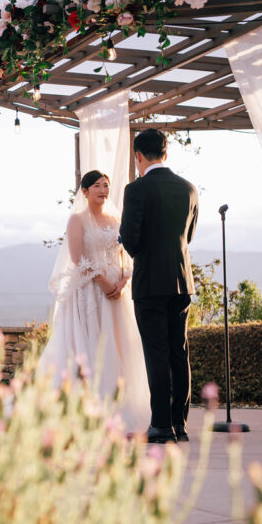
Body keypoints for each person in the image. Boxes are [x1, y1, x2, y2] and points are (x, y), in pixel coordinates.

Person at [39, 170, 150, 429]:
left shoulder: (115, 218)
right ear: (85, 191)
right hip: (90, 290)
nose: (103, 190)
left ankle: (119, 403)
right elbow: (78, 258)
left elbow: (125, 254)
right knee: (91, 344)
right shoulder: (77, 220)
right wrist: (102, 282)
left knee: (119, 344)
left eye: (106, 186)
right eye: (97, 186)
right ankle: (88, 405)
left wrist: (123, 281)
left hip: (116, 293)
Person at [119, 128, 199, 444]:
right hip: (182, 281)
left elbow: (132, 241)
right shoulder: (189, 189)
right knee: (179, 353)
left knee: (157, 353)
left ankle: (161, 425)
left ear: (138, 157)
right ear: (166, 154)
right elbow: (188, 236)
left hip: (150, 283)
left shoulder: (135, 190)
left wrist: (130, 243)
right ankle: (180, 423)